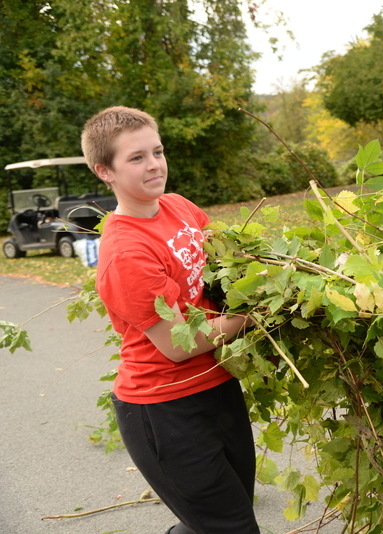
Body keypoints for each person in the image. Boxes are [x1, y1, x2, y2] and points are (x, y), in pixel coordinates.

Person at [81, 106, 260, 532]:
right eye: (136, 158)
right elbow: (178, 344)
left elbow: (225, 262)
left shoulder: (178, 206)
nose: (154, 165)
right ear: (104, 171)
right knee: (234, 529)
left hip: (219, 386)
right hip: (166, 409)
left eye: (157, 152)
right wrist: (256, 316)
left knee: (219, 521)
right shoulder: (126, 251)